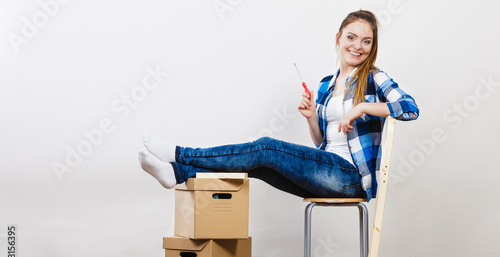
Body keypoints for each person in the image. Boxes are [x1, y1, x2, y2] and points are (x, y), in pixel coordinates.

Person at [138, 9, 418, 201]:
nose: (358, 46)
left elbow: (409, 107)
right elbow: (322, 144)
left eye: (366, 41)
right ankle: (178, 172)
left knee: (266, 147)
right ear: (339, 39)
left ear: (373, 45)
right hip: (328, 171)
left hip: (351, 178)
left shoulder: (373, 77)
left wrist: (362, 108)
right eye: (352, 38)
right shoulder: (325, 85)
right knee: (259, 166)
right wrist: (311, 118)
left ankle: (179, 154)